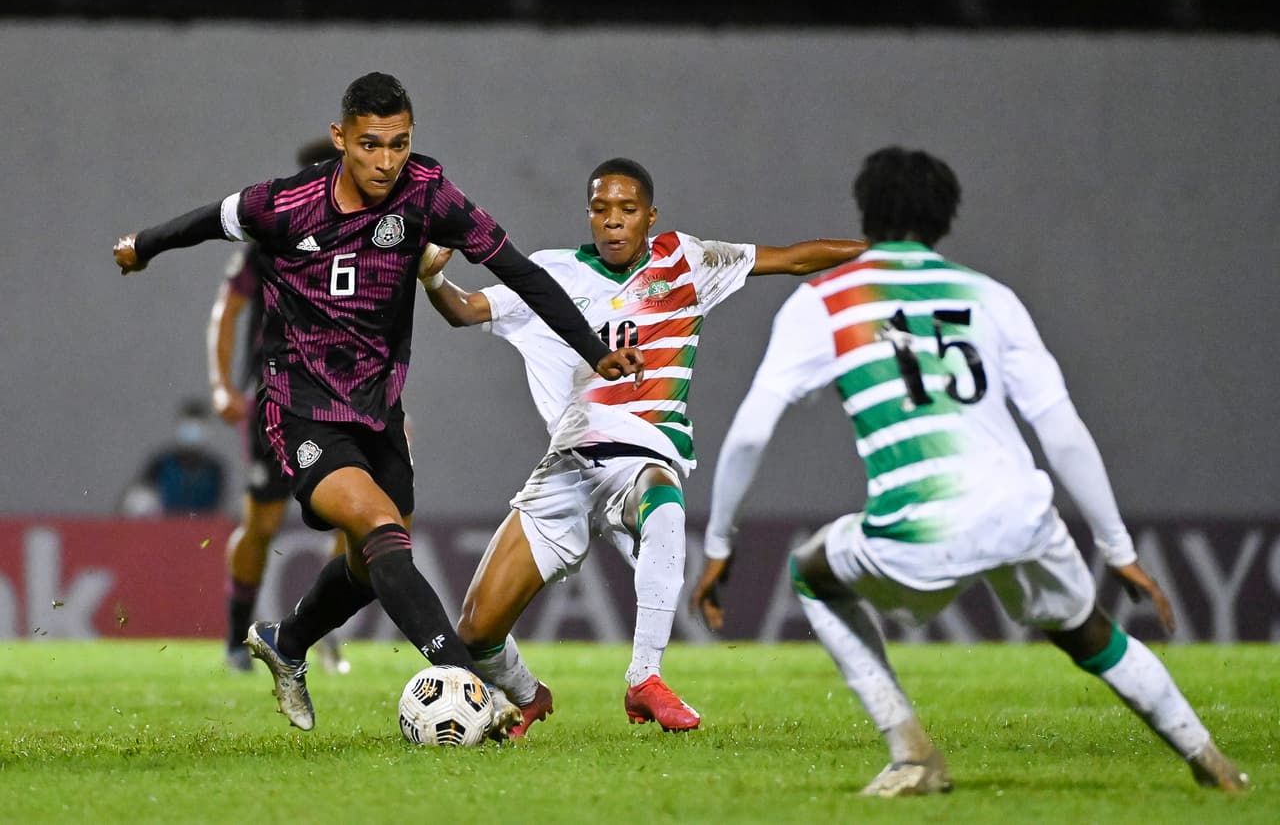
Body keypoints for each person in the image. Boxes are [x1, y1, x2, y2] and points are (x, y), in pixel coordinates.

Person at [691, 146, 1247, 795]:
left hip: (919, 524)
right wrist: (1117, 548)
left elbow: (750, 433)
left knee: (812, 574)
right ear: (945, 218)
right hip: (1020, 512)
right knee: (1089, 633)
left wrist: (720, 543)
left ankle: (912, 754)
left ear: (864, 212)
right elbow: (1061, 430)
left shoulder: (825, 302)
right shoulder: (988, 296)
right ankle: (1214, 763)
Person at [113, 72, 643, 735]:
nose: (386, 161)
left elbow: (520, 272)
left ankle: (286, 641)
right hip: (301, 408)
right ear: (341, 138)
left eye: (399, 144)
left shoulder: (427, 193)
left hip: (378, 411)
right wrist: (142, 246)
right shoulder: (286, 204)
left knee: (370, 568)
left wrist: (595, 350)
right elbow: (207, 221)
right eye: (370, 145)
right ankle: (472, 689)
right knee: (382, 532)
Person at [419, 157, 867, 735]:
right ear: (588, 214)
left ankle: (644, 678)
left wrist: (885, 254)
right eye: (601, 209)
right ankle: (529, 696)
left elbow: (794, 258)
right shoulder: (552, 273)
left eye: (627, 210)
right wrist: (432, 279)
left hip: (643, 455)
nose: (613, 221)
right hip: (568, 465)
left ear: (650, 216)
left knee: (664, 504)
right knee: (476, 633)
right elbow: (465, 310)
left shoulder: (686, 262)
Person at [208, 137, 351, 674]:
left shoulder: (362, 241)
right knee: (263, 522)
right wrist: (222, 385)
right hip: (276, 398)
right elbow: (227, 310)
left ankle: (321, 629)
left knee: (357, 516)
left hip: (341, 400)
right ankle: (234, 639)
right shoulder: (269, 240)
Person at [119, 397, 226, 516]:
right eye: (188, 427)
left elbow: (217, 506)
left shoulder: (214, 469)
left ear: (207, 431)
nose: (192, 433)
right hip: (164, 523)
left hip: (200, 523)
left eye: (197, 428)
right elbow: (138, 497)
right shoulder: (161, 463)